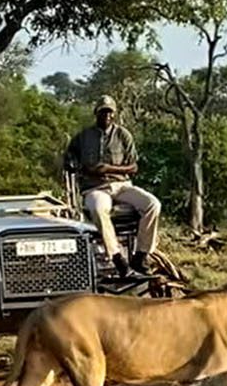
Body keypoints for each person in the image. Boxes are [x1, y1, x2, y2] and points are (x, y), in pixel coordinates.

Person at [64, 94, 160, 276]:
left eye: (109, 112)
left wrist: (109, 168)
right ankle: (117, 258)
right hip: (96, 187)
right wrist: (75, 165)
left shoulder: (123, 135)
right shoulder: (84, 137)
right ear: (96, 113)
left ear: (114, 114)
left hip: (122, 185)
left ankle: (141, 255)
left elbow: (133, 166)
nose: (106, 115)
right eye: (103, 112)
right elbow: (70, 155)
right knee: (99, 209)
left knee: (153, 204)